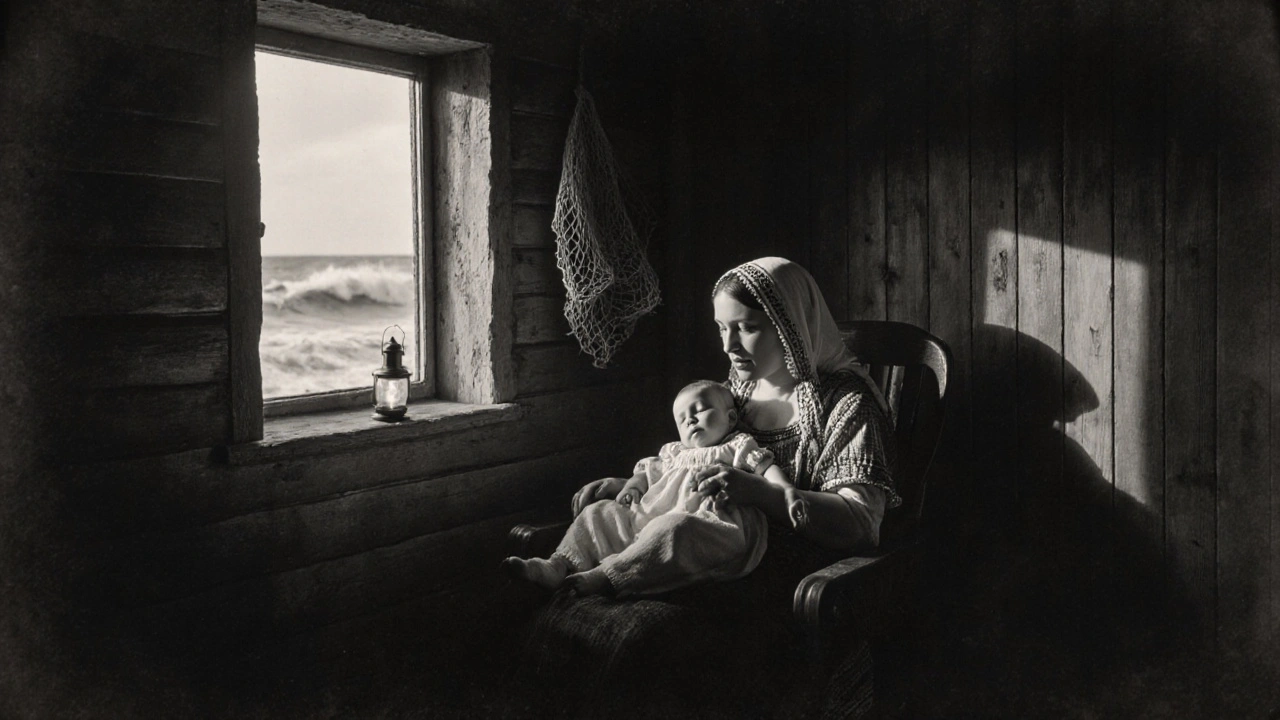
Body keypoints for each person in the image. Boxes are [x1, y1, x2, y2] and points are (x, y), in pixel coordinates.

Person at [570, 256, 899, 555]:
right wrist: (638, 488)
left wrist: (764, 494)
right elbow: (688, 467)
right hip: (707, 551)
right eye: (722, 328)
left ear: (791, 327)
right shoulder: (731, 397)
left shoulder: (845, 403)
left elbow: (861, 525)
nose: (729, 345)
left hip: (787, 569)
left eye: (747, 328)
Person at [502, 380, 810, 597]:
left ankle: (610, 576)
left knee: (673, 529)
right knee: (598, 513)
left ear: (731, 418)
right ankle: (559, 565)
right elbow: (646, 474)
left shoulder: (736, 445)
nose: (690, 420)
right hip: (651, 517)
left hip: (713, 525)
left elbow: (766, 468)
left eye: (700, 410)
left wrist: (786, 492)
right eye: (682, 418)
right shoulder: (672, 452)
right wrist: (633, 488)